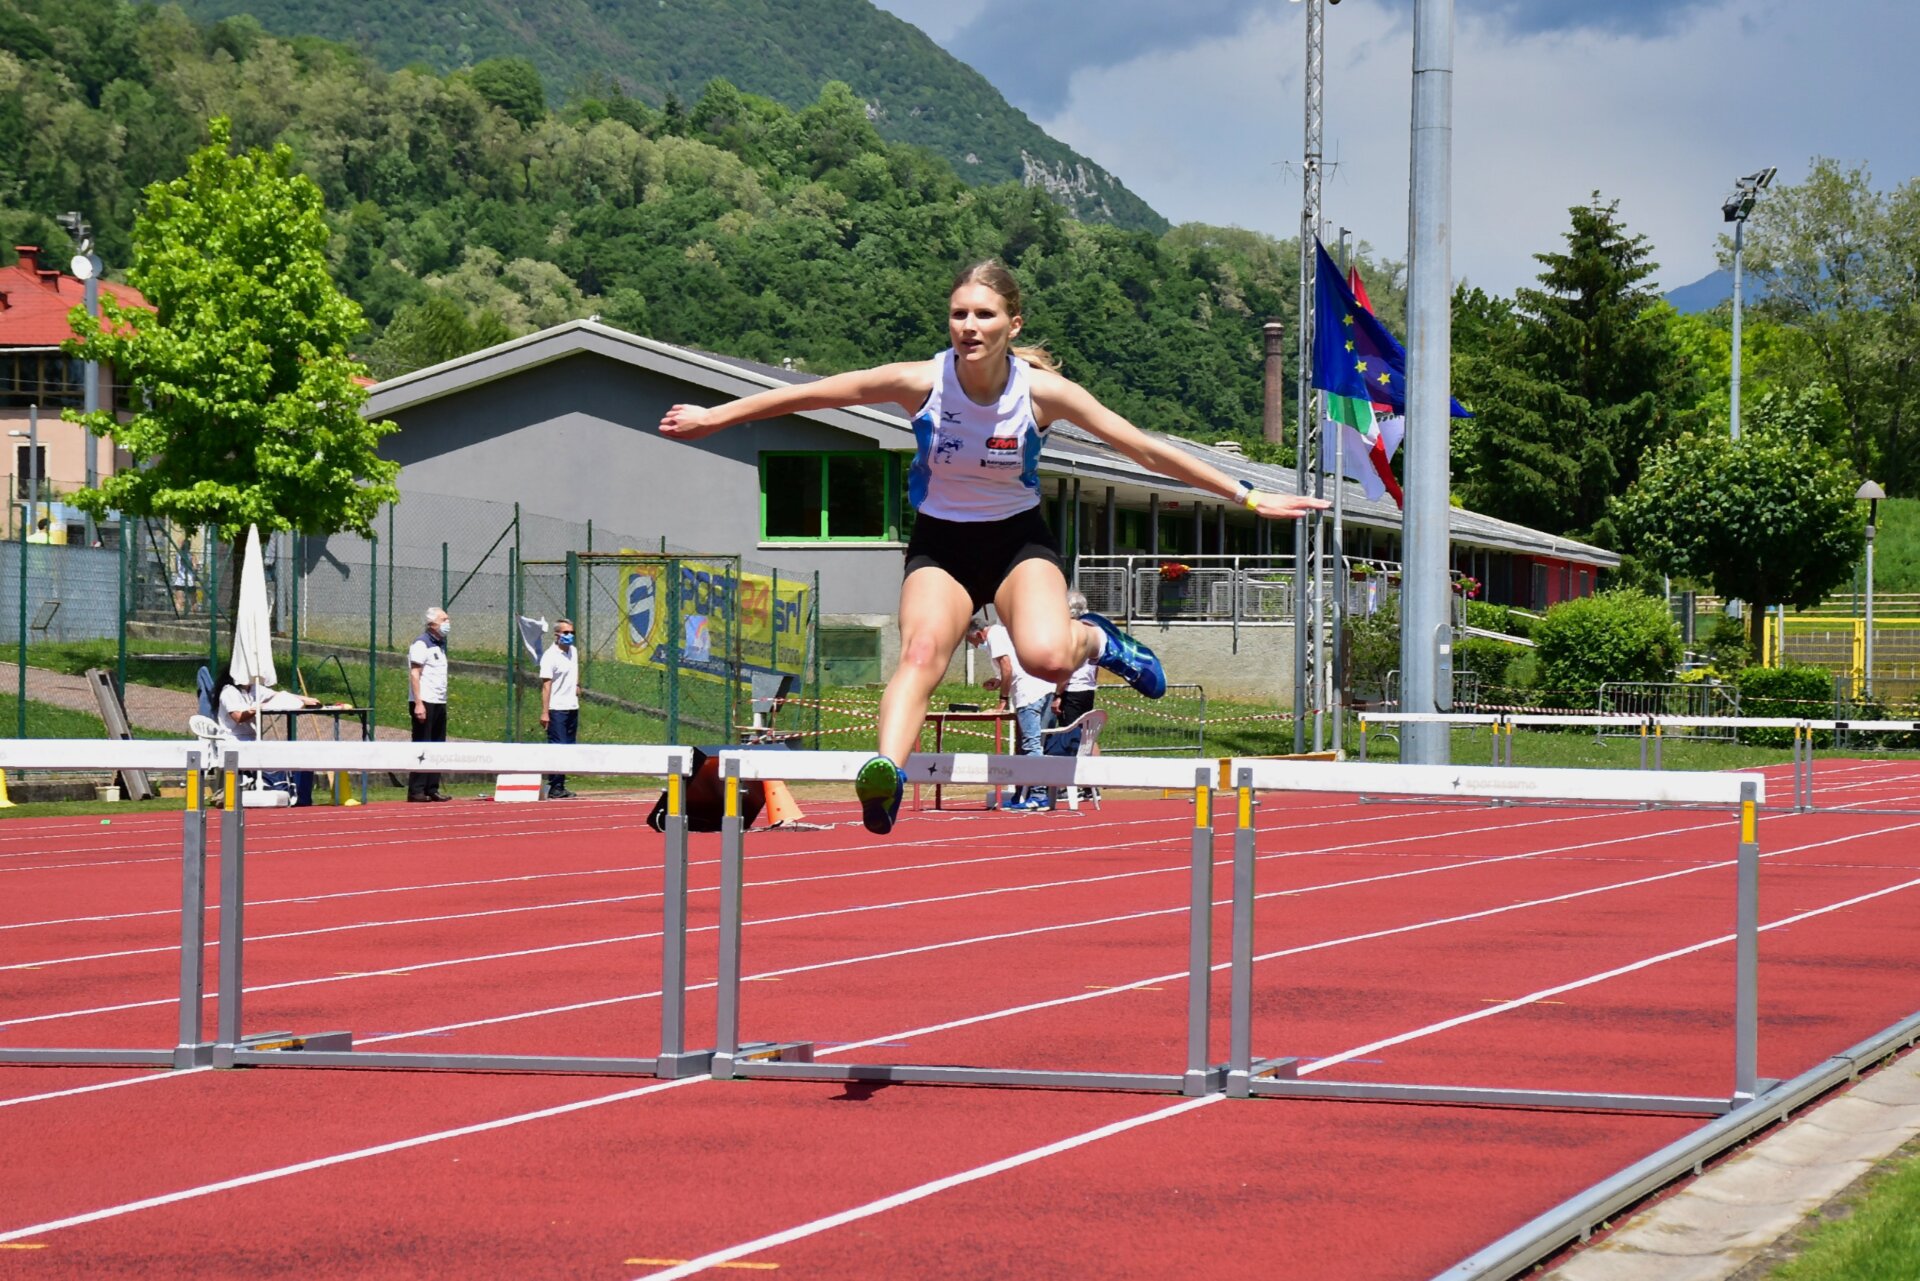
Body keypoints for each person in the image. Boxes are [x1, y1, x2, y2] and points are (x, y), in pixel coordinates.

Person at [659, 259, 1326, 834]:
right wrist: (715, 416)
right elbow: (817, 392)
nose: (968, 326)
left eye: (983, 314)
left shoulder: (1041, 395)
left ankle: (1097, 638)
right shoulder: (923, 382)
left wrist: (1246, 496)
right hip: (941, 545)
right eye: (958, 314)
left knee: (1046, 655)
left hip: (1016, 544)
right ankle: (885, 776)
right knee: (921, 652)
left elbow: (1144, 448)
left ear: (1013, 323)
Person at [980, 615, 1057, 812]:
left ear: (979, 633)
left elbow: (1007, 666)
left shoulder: (994, 636)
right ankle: (1023, 793)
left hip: (1028, 694)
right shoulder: (1005, 633)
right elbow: (1010, 668)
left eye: (972, 641)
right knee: (1033, 743)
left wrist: (1002, 699)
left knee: (1031, 744)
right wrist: (998, 680)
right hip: (1044, 688)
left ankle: (1039, 794)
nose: (974, 646)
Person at [1044, 589, 1102, 808]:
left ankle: (1078, 783)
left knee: (1071, 736)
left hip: (1074, 689)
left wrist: (1058, 694)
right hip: (1088, 688)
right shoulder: (1092, 629)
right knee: (1087, 736)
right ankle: (1092, 784)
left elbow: (1066, 667)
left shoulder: (1071, 631)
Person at [408, 607, 454, 802]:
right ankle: (416, 790)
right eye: (444, 619)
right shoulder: (421, 644)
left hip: (439, 700)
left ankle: (432, 787)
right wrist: (419, 703)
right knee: (422, 744)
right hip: (424, 701)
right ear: (433, 623)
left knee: (437, 745)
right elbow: (415, 674)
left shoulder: (440, 645)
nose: (448, 623)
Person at [538, 618, 580, 799]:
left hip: (572, 706)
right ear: (557, 634)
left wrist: (577, 686)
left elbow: (574, 672)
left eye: (572, 633)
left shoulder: (573, 652)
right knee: (558, 746)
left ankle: (560, 784)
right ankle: (554, 784)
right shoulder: (550, 656)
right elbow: (546, 685)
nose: (569, 636)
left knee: (569, 747)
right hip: (557, 708)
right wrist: (545, 712)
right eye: (566, 633)